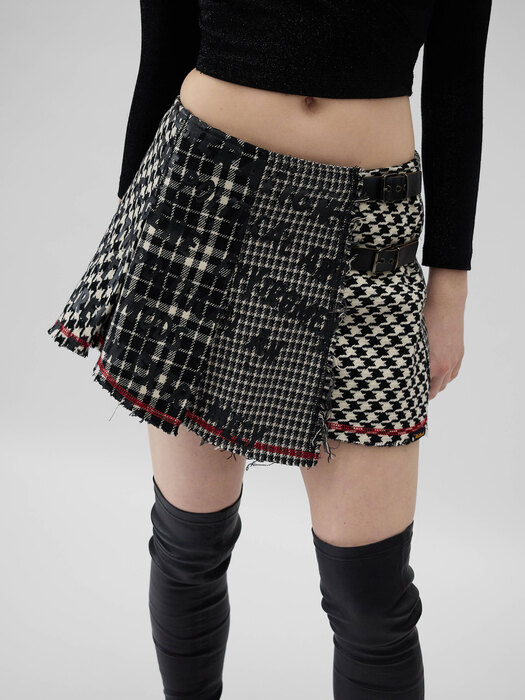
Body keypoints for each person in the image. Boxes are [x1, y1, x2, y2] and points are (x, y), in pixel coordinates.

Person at [47, 1, 493, 697]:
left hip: (370, 235)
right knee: (189, 543)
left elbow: (457, 82)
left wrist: (449, 288)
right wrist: (132, 243)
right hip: (201, 203)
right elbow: (162, 53)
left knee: (371, 598)